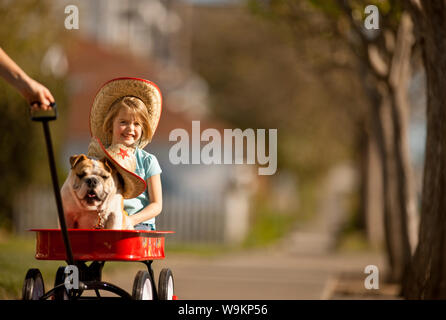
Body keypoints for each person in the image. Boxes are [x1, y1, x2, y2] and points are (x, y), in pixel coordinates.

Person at [88, 77, 163, 231]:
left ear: (143, 129)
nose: (130, 129)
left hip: (140, 224)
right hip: (107, 224)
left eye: (137, 124)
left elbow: (156, 205)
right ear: (110, 125)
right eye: (123, 122)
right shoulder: (100, 161)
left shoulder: (147, 161)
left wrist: (130, 220)